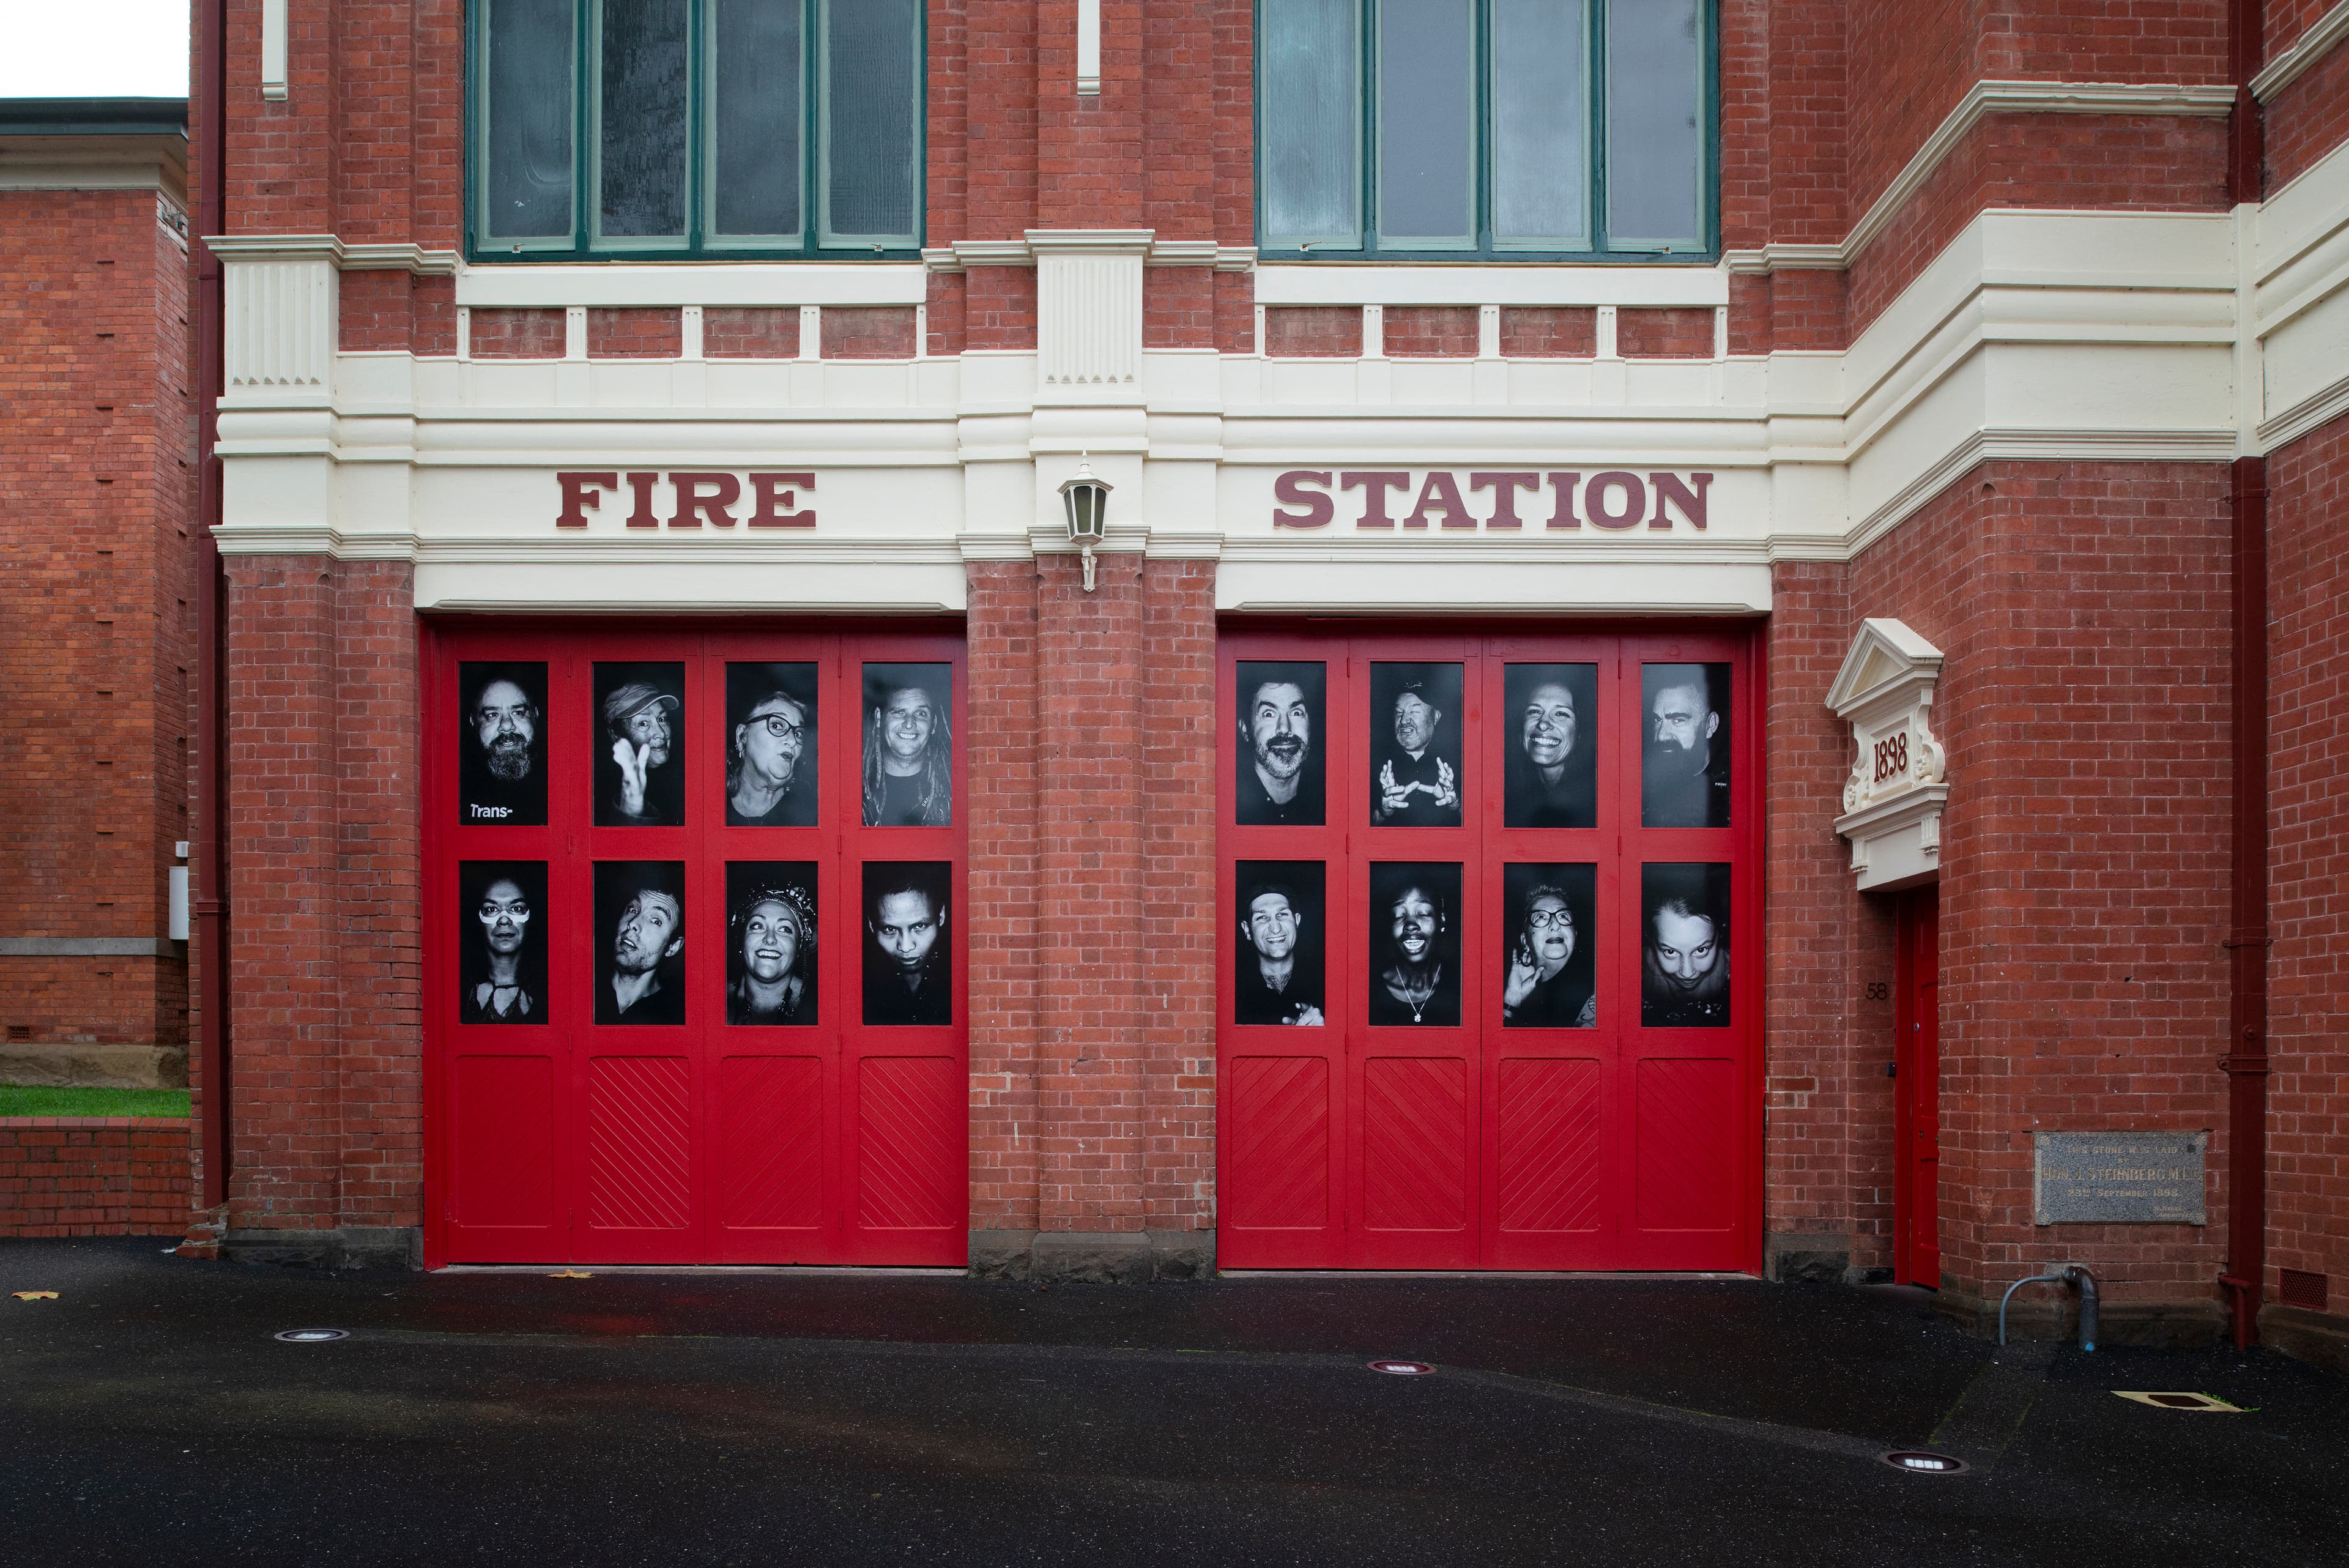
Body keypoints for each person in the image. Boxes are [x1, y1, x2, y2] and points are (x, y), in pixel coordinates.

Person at [1643, 667, 1730, 828]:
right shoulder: (1643, 786)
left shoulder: (1729, 794)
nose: (1662, 735)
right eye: (1657, 720)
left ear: (1710, 725)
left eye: (1678, 720)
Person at [1367, 877, 1459, 1027]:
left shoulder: (1461, 985)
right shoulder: (1370, 989)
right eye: (1399, 915)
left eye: (1422, 914)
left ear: (1441, 920)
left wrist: (1509, 1003)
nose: (1410, 925)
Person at [1506, 676, 1595, 828]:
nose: (1543, 724)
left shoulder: (1595, 796)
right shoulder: (1509, 790)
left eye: (1560, 714)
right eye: (1534, 711)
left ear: (1579, 730)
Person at [1501, 883, 1595, 1028]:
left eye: (1563, 916)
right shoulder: (1516, 996)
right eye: (1541, 917)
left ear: (1575, 935)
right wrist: (1511, 1001)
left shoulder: (1598, 990)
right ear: (1525, 941)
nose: (1555, 925)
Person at [1234, 879, 1324, 1026]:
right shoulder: (1233, 991)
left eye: (1282, 915)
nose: (1275, 928)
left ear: (1297, 921)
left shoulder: (1326, 982)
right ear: (1247, 930)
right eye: (1262, 918)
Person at [864, 871, 949, 1025]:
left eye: (920, 926)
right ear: (871, 926)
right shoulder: (861, 988)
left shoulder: (961, 980)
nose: (905, 947)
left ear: (941, 916)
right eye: (890, 930)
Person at [863, 680, 952, 826]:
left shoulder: (954, 792)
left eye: (921, 713)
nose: (909, 723)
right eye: (899, 712)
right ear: (879, 718)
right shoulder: (854, 788)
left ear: (934, 724)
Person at [1642, 879, 1729, 1027]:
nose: (1688, 973)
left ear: (1719, 935)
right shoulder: (1630, 971)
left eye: (1701, 950)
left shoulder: (1743, 973)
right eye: (1670, 952)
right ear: (1651, 939)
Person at [1373, 679, 1460, 827]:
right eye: (1399, 712)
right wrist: (1383, 812)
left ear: (1436, 717)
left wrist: (1456, 805)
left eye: (1414, 711)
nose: (1404, 721)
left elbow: (1486, 829)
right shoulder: (1374, 762)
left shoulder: (1460, 761)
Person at [1236, 672, 1319, 825]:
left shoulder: (1327, 800)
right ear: (1245, 730)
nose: (1284, 728)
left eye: (1296, 713)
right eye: (1269, 714)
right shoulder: (1231, 805)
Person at [461, 673, 544, 823]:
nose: (506, 726)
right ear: (473, 721)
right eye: (493, 715)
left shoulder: (557, 784)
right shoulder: (459, 792)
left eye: (518, 713)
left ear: (535, 714)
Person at [727, 882, 815, 1024]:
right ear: (742, 938)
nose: (770, 939)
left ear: (799, 946)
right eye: (758, 926)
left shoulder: (821, 1010)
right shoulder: (711, 1000)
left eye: (785, 929)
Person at [727, 687, 816, 826]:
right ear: (742, 736)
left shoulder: (809, 816)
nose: (792, 741)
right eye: (776, 725)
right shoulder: (708, 806)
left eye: (798, 733)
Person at [598, 883, 684, 1024]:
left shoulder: (675, 1017)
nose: (633, 923)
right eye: (633, 909)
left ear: (673, 947)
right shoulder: (577, 990)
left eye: (656, 921)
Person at [603, 682, 681, 825]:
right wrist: (630, 810)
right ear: (615, 735)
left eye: (662, 719)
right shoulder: (604, 796)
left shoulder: (686, 775)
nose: (661, 734)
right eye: (643, 723)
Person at [462, 875, 537, 1023]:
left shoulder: (550, 994)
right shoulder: (461, 994)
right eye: (492, 909)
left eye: (516, 908)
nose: (504, 920)